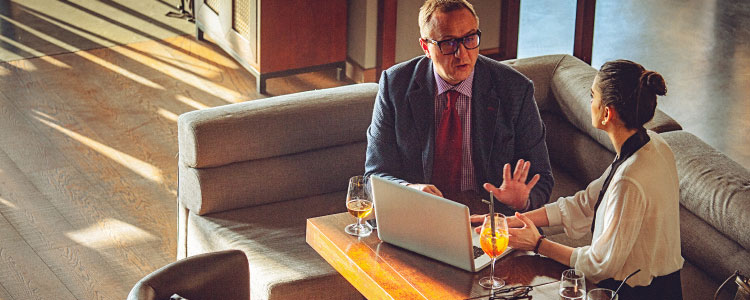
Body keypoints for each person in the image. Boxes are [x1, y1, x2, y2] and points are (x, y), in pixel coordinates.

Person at [494, 60, 683, 299]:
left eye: (593, 96)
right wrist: (510, 221)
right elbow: (585, 203)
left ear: (607, 113)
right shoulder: (653, 145)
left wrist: (538, 244)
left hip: (636, 294)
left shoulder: (630, 179)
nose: (589, 103)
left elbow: (600, 264)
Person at [364, 0, 553, 215]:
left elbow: (542, 178)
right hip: (420, 211)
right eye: (448, 43)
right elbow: (374, 175)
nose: (462, 54)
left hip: (491, 218)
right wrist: (411, 191)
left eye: (469, 39)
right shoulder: (394, 85)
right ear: (426, 47)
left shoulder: (516, 89)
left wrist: (523, 200)